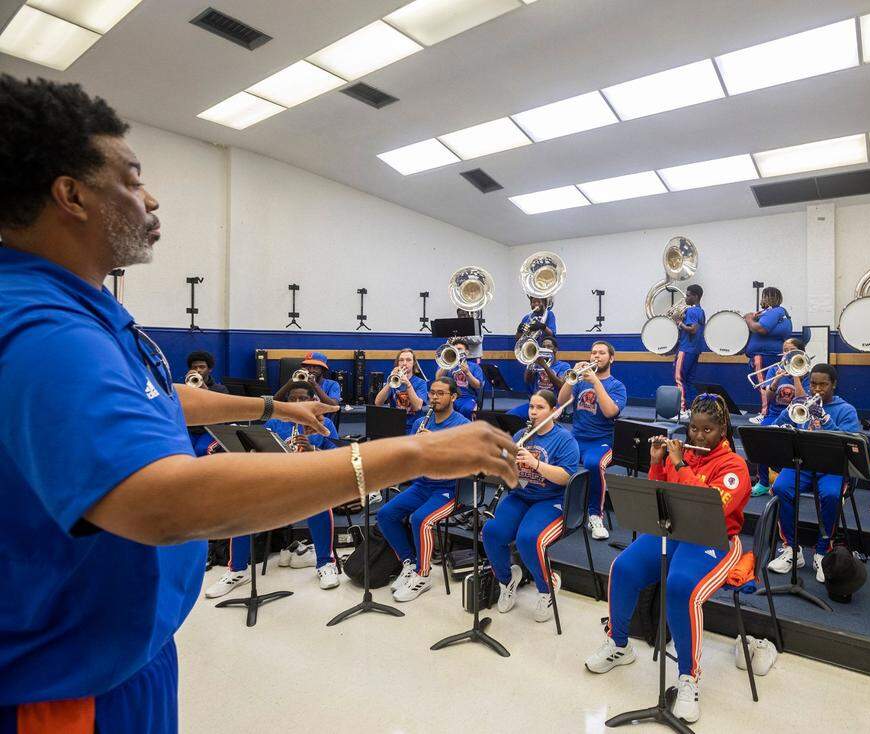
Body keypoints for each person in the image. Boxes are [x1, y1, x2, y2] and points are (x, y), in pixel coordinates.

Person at [0, 75, 517, 734]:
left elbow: (153, 400)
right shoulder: (44, 329)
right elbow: (162, 500)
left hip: (111, 660)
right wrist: (413, 451)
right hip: (64, 687)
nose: (150, 198)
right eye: (131, 180)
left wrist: (268, 409)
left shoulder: (70, 306)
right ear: (70, 195)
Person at [584, 394, 749, 725]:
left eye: (708, 430)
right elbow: (658, 498)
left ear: (723, 429)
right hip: (674, 531)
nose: (698, 437)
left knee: (680, 586)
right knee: (624, 567)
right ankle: (619, 645)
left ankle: (688, 677)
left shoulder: (734, 467)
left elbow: (710, 505)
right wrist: (657, 462)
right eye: (694, 429)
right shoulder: (684, 453)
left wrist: (678, 464)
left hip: (714, 539)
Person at [204, 380, 342, 598]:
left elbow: (338, 458)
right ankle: (237, 570)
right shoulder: (276, 421)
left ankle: (325, 563)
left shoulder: (324, 423)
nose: (297, 403)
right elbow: (262, 448)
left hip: (309, 481)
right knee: (242, 508)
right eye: (292, 399)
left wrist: (313, 448)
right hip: (279, 481)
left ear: (312, 401)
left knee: (321, 503)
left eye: (302, 399)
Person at [483, 390, 580, 622]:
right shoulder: (521, 435)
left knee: (529, 539)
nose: (534, 412)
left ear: (554, 412)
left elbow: (566, 476)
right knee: (491, 532)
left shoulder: (565, 439)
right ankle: (507, 581)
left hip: (551, 499)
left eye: (540, 408)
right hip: (520, 496)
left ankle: (547, 587)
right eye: (531, 407)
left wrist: (535, 463)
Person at [377, 377, 469, 602]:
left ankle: (423, 574)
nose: (434, 398)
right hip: (423, 484)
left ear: (453, 397)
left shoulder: (463, 425)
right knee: (385, 514)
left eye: (440, 394)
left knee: (421, 519)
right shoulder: (422, 422)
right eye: (432, 393)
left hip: (450, 489)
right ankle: (409, 562)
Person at [767, 365, 861, 583]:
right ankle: (792, 549)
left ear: (834, 385)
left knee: (830, 495)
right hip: (803, 463)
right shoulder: (799, 404)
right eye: (813, 384)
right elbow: (775, 426)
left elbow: (851, 442)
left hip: (832, 466)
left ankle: (822, 552)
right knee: (780, 487)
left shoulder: (846, 409)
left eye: (823, 384)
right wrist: (784, 430)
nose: (817, 389)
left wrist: (827, 420)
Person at [558, 341, 628, 540]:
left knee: (593, 463)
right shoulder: (580, 381)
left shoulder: (617, 386)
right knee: (554, 453)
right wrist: (571, 378)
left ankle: (595, 515)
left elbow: (610, 412)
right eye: (593, 352)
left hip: (602, 441)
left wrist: (596, 382)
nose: (596, 356)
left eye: (602, 353)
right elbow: (561, 402)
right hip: (575, 438)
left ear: (611, 358)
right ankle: (558, 506)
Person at [749, 337, 808, 496]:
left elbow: (803, 401)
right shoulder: (775, 369)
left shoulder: (806, 371)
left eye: (790, 350)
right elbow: (767, 399)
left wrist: (795, 375)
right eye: (785, 350)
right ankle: (763, 482)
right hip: (775, 414)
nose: (786, 353)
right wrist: (775, 380)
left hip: (798, 417)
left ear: (800, 352)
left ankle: (789, 481)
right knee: (760, 436)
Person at [744, 286, 792, 421]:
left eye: (764, 296)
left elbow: (761, 328)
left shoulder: (774, 312)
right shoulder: (777, 312)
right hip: (770, 354)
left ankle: (764, 414)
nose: (762, 299)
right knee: (771, 385)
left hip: (763, 355)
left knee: (763, 385)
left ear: (769, 298)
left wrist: (748, 319)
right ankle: (769, 413)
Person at [507, 335, 570, 420]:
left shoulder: (564, 366)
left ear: (555, 350)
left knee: (539, 420)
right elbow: (527, 380)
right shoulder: (537, 364)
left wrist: (544, 366)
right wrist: (531, 362)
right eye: (543, 346)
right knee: (509, 416)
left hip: (552, 405)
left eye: (549, 346)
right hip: (535, 403)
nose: (545, 348)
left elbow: (561, 385)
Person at [374, 347, 428, 433]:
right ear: (398, 363)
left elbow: (417, 407)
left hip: (413, 427)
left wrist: (408, 384)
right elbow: (378, 403)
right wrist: (390, 382)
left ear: (414, 363)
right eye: (401, 360)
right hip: (394, 425)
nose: (404, 363)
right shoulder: (394, 381)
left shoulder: (421, 383)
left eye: (408, 360)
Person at [673, 284, 705, 417]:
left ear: (695, 296)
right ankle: (693, 409)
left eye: (688, 295)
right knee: (689, 380)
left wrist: (679, 322)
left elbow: (693, 329)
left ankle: (682, 409)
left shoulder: (691, 311)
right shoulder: (701, 311)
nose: (686, 298)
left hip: (686, 349)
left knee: (679, 379)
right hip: (695, 350)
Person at [436, 339, 483, 419]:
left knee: (467, 409)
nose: (457, 352)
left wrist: (468, 373)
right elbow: (438, 379)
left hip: (468, 398)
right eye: (455, 349)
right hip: (450, 397)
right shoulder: (448, 365)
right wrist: (447, 363)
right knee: (441, 408)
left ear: (467, 352)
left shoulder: (475, 367)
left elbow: (478, 386)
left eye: (460, 349)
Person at [274, 351, 341, 407]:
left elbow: (334, 406)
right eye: (308, 367)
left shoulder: (332, 384)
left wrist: (315, 385)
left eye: (315, 367)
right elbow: (274, 402)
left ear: (323, 370)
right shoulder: (297, 383)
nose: (311, 370)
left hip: (321, 420)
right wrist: (288, 385)